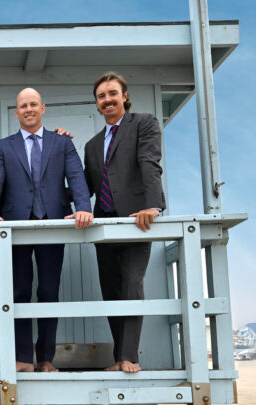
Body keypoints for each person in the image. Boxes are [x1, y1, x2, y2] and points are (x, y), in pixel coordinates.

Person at [0, 88, 93, 372]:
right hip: (15, 227)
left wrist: (83, 206)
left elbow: (76, 176)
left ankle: (46, 358)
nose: (28, 109)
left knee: (49, 291)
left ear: (42, 108)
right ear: (16, 113)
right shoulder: (4, 146)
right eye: (22, 106)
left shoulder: (62, 143)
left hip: (52, 224)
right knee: (18, 291)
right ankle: (23, 358)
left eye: (33, 104)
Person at [83, 72, 166, 373]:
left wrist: (152, 205)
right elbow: (85, 187)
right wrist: (56, 146)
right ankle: (119, 357)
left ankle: (130, 357)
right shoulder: (92, 145)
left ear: (125, 96)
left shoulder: (144, 123)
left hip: (135, 220)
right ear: (97, 103)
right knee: (112, 291)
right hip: (103, 226)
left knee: (132, 285)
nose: (107, 100)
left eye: (112, 93)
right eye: (102, 96)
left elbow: (149, 162)